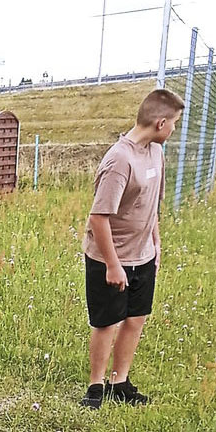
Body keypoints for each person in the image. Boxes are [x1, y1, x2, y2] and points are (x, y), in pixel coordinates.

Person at [79, 88, 184, 409]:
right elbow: (98, 218)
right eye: (175, 123)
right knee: (106, 322)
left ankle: (119, 381)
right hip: (109, 257)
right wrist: (113, 265)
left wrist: (156, 243)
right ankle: (96, 386)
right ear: (161, 122)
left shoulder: (156, 152)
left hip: (144, 256)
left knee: (135, 318)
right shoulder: (119, 160)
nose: (175, 129)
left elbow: (152, 206)